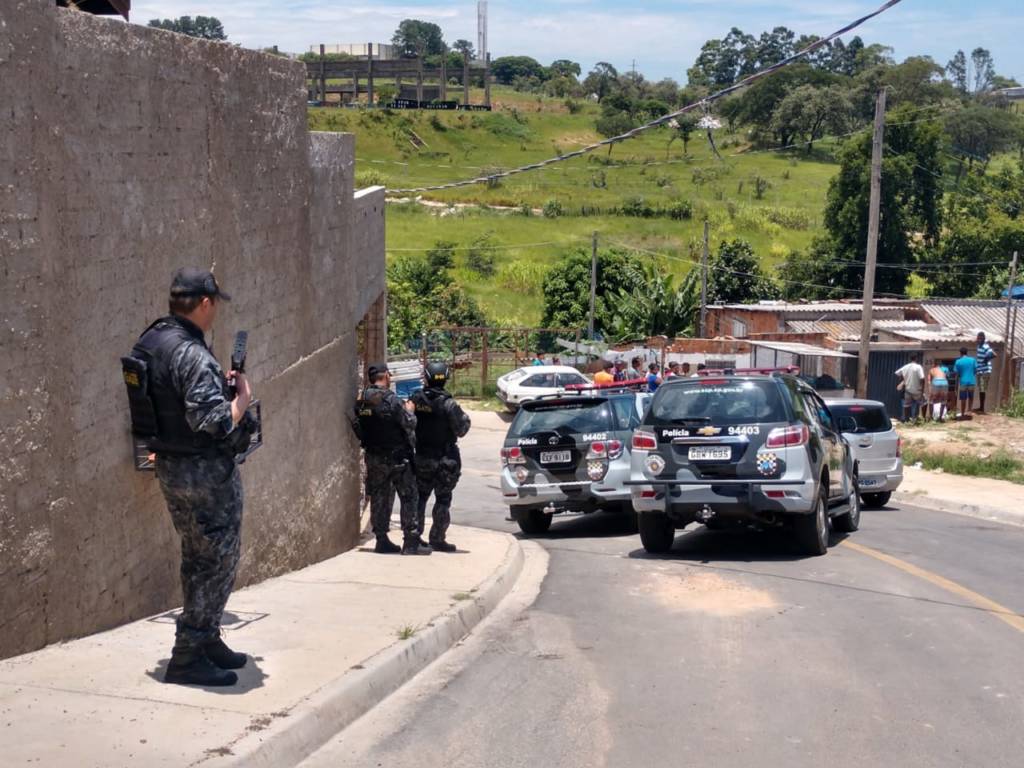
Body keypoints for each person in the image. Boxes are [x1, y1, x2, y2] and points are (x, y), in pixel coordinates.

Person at [127, 268, 252, 687]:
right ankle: (187, 654)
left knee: (197, 555)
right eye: (215, 303)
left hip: (171, 465)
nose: (216, 311)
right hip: (204, 472)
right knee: (218, 558)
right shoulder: (192, 353)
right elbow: (214, 422)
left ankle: (206, 639)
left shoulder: (152, 340)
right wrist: (241, 400)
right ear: (204, 303)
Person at [352, 363, 431, 556]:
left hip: (374, 456)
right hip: (397, 457)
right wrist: (410, 410)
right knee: (409, 496)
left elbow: (360, 424)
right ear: (386, 376)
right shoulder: (392, 400)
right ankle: (411, 541)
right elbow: (409, 423)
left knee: (379, 497)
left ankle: (381, 540)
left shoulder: (362, 400)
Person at [411, 363, 471, 553]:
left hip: (421, 457)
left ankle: (415, 536)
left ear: (426, 378)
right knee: (443, 499)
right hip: (445, 459)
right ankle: (437, 538)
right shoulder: (448, 404)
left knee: (420, 498)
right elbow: (462, 429)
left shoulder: (415, 400)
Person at [895, 353, 926, 422]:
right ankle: (924, 419)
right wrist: (922, 390)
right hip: (917, 390)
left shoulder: (905, 367)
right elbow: (922, 378)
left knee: (906, 405)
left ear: (910, 359)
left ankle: (906, 420)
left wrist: (904, 379)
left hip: (908, 390)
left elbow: (897, 373)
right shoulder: (918, 367)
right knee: (924, 403)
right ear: (916, 358)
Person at [954, 347, 977, 420]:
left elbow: (956, 373)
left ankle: (963, 413)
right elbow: (976, 369)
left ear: (960, 353)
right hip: (971, 381)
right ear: (967, 352)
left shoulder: (958, 361)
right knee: (971, 397)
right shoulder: (972, 360)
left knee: (963, 398)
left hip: (963, 382)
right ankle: (969, 411)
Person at [975, 332, 996, 413]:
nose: (979, 340)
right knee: (981, 389)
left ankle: (982, 408)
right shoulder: (979, 346)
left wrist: (986, 359)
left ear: (983, 339)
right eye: (978, 338)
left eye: (980, 338)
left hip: (985, 370)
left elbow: (994, 354)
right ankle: (981, 407)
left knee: (982, 389)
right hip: (980, 370)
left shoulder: (985, 346)